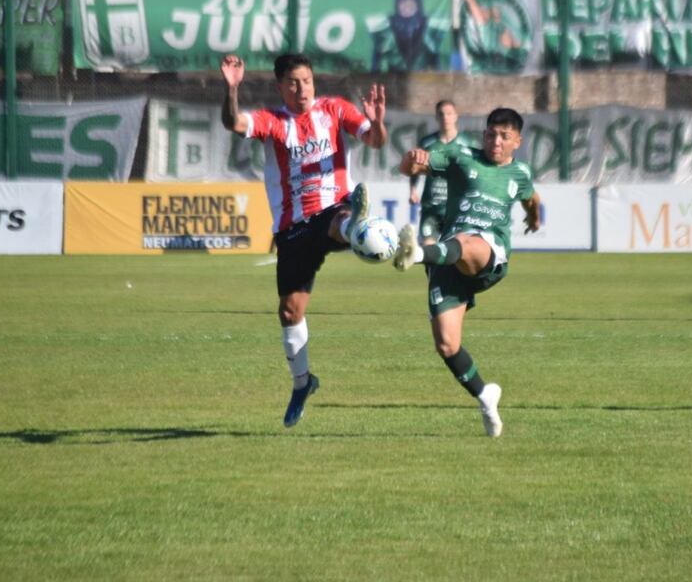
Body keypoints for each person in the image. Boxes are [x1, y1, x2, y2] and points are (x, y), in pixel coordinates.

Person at [221, 52, 387, 427]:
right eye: (293, 83)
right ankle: (302, 382)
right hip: (293, 228)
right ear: (281, 86)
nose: (302, 89)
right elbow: (233, 121)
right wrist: (231, 90)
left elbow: (375, 141)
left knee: (338, 219)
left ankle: (356, 227)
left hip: (332, 207)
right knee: (289, 312)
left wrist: (378, 122)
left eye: (307, 81)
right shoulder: (274, 122)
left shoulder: (335, 110)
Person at [394, 107, 541, 437]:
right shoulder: (460, 155)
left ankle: (417, 253)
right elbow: (408, 168)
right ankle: (485, 395)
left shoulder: (519, 173)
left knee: (467, 240)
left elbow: (532, 198)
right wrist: (412, 158)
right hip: (448, 258)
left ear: (517, 141)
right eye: (491, 134)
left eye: (504, 136)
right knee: (447, 344)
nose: (496, 141)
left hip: (488, 253)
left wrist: (534, 218)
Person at [408, 100, 481, 247]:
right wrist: (413, 189)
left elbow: (478, 172)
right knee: (428, 249)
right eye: (441, 114)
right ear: (436, 117)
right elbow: (414, 168)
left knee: (456, 251)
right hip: (432, 206)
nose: (445, 118)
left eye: (449, 114)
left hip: (458, 208)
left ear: (456, 116)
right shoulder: (427, 143)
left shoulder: (469, 143)